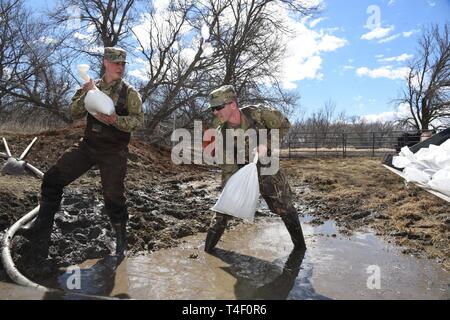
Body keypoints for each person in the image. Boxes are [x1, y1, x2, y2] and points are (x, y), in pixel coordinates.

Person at [18, 47, 144, 257]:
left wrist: (116, 120)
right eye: (116, 63)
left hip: (114, 152)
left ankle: (121, 241)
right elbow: (74, 112)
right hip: (88, 146)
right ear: (105, 62)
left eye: (123, 64)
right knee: (52, 179)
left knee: (113, 196)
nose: (120, 67)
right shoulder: (91, 85)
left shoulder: (129, 93)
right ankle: (41, 230)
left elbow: (139, 121)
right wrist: (87, 93)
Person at [204, 85, 306, 253]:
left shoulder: (259, 114)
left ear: (232, 105)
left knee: (285, 207)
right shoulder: (220, 133)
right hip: (241, 170)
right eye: (212, 109)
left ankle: (301, 249)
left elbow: (285, 125)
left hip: (267, 167)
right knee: (222, 212)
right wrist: (229, 192)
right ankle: (207, 252)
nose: (215, 112)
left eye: (218, 107)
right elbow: (228, 167)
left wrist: (267, 143)